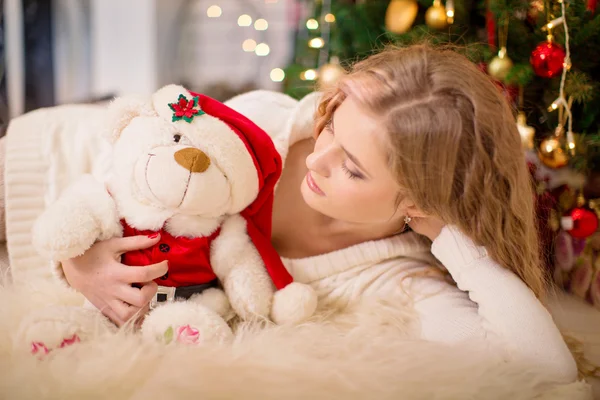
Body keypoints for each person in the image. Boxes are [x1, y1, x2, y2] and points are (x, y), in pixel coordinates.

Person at [52, 45, 577, 383]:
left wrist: (453, 237)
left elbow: (542, 368)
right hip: (55, 153)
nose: (316, 160)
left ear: (417, 200)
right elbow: (127, 173)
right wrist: (75, 263)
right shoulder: (264, 128)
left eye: (352, 170)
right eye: (332, 127)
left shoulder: (394, 277)